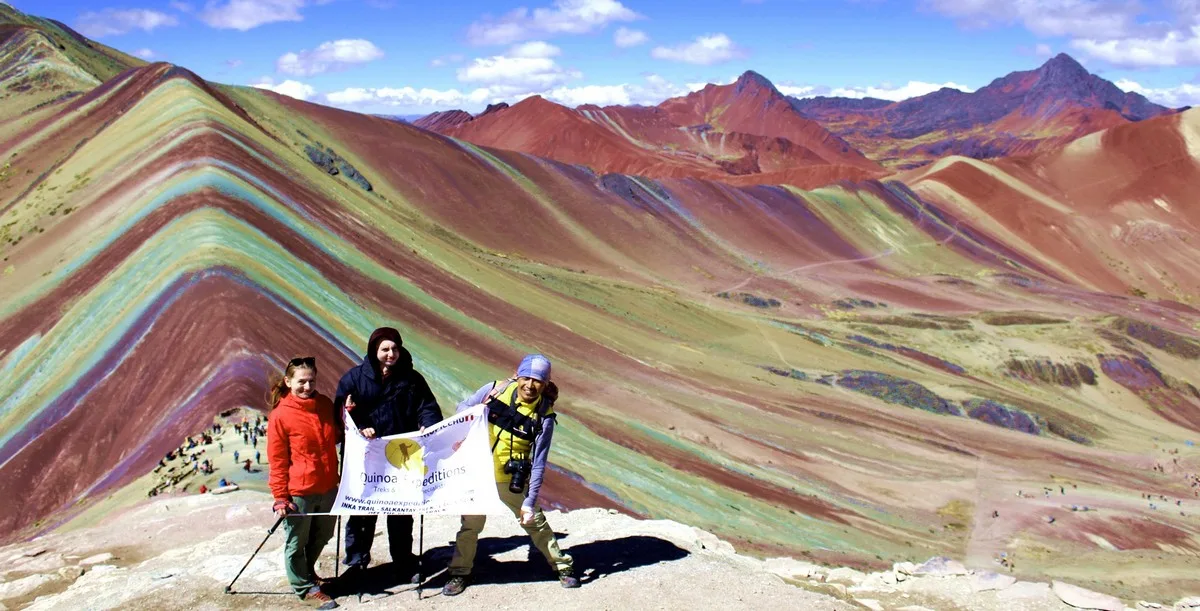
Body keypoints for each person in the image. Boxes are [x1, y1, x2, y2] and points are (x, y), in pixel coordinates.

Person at [442, 353, 579, 596]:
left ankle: (563, 567)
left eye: (537, 380)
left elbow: (538, 462)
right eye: (525, 378)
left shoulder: (544, 417)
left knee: (534, 521)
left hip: (510, 478)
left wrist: (529, 501)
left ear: (545, 384)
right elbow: (460, 408)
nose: (530, 385)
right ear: (517, 376)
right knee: (470, 526)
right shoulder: (494, 390)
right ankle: (459, 573)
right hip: (477, 473)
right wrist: (474, 410)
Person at [335, 327, 443, 585]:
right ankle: (357, 563)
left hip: (400, 455)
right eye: (385, 349)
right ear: (374, 350)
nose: (390, 354)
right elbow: (340, 414)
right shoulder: (354, 379)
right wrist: (359, 424)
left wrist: (427, 424)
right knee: (363, 510)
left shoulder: (412, 379)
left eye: (394, 348)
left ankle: (404, 561)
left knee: (401, 508)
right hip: (367, 455)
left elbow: (426, 406)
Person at [266, 356, 342, 610]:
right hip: (300, 491)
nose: (307, 387)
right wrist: (280, 497)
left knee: (323, 534)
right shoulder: (280, 416)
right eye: (301, 382)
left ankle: (308, 573)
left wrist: (348, 415)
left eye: (311, 381)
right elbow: (277, 461)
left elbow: (337, 435)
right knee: (297, 541)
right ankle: (303, 587)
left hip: (329, 486)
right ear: (288, 382)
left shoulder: (323, 404)